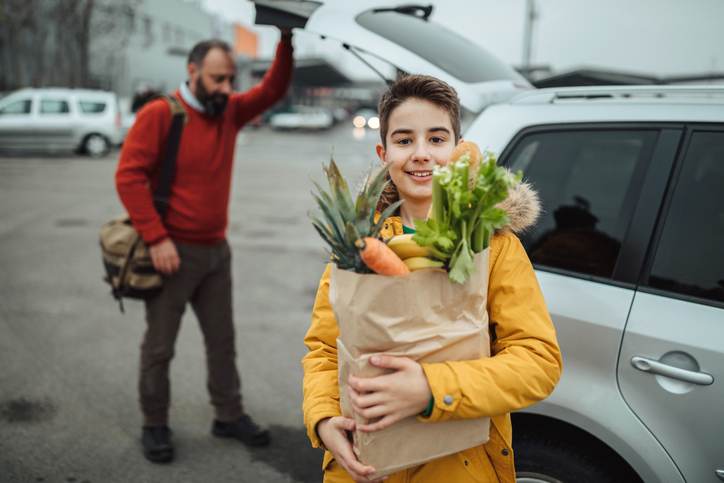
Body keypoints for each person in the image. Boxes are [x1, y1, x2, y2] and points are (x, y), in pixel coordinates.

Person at [302, 75, 563, 482]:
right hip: (362, 464)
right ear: (383, 151)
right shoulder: (359, 244)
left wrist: (430, 388)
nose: (421, 154)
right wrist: (323, 418)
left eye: (436, 139)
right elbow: (323, 349)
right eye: (404, 141)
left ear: (458, 151)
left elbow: (538, 361)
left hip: (459, 465)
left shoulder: (493, 246)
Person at [115, 30, 294, 464]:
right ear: (192, 71)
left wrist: (286, 39)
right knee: (160, 346)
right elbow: (129, 176)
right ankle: (154, 424)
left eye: (230, 79)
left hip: (217, 251)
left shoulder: (228, 111)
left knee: (222, 341)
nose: (227, 89)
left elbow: (272, 89)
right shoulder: (161, 114)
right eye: (217, 79)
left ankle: (228, 415)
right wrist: (157, 238)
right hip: (172, 252)